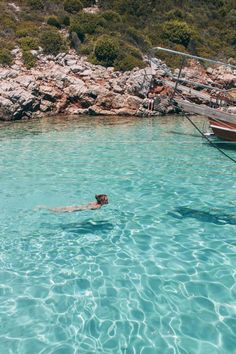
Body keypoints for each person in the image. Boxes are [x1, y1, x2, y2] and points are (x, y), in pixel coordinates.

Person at [41, 194, 109, 213]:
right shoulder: (98, 206)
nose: (107, 201)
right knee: (58, 211)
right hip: (79, 208)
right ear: (102, 201)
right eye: (106, 200)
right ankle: (44, 207)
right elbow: (87, 208)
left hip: (78, 206)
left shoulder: (95, 202)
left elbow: (87, 205)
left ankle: (44, 207)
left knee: (60, 209)